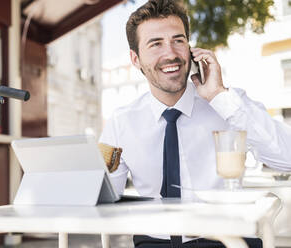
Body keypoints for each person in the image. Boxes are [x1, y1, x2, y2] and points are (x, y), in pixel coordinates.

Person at [99, 0, 291, 247]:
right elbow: (104, 196)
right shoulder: (121, 122)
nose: (170, 53)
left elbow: (287, 158)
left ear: (191, 48)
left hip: (227, 240)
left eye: (178, 40)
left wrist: (219, 96)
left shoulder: (229, 104)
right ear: (135, 59)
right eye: (156, 44)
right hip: (154, 243)